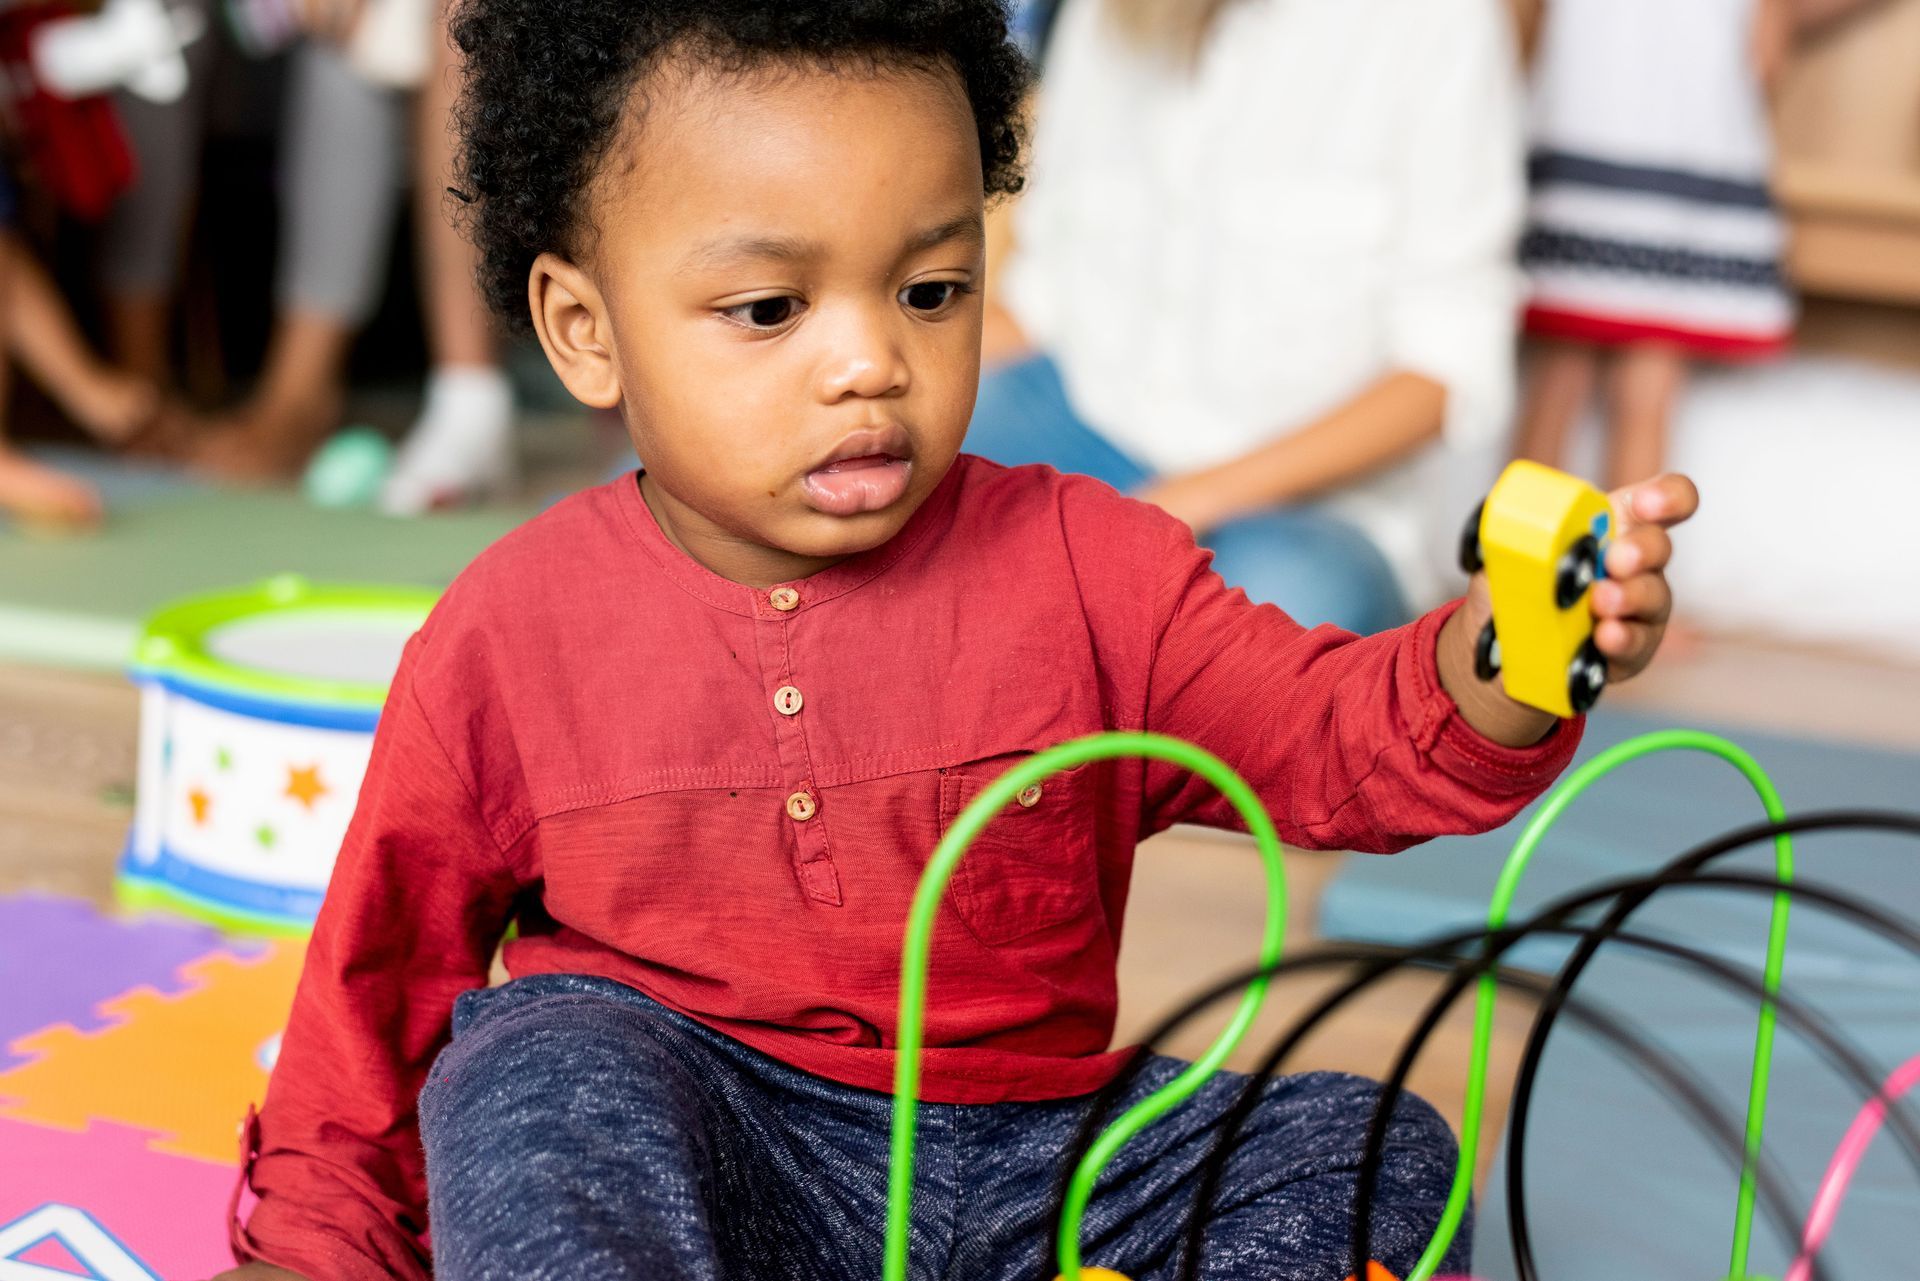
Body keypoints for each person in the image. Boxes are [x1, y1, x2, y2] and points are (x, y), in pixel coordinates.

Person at [207, 3, 1696, 1278]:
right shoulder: (509, 628)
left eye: (931, 291)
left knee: (1368, 1146)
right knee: (535, 1058)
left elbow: (1333, 742)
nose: (870, 360)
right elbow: (372, 998)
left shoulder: (1091, 560)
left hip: (1043, 1159)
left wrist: (1511, 650)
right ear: (586, 331)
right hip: (706, 1153)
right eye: (769, 307)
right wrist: (312, 1250)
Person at [969, 0, 1531, 634]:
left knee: (1273, 619)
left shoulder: (1437, 25)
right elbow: (1041, 295)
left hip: (1302, 510)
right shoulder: (1102, 16)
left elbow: (1445, 373)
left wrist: (1188, 500)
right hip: (1082, 431)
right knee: (895, 471)